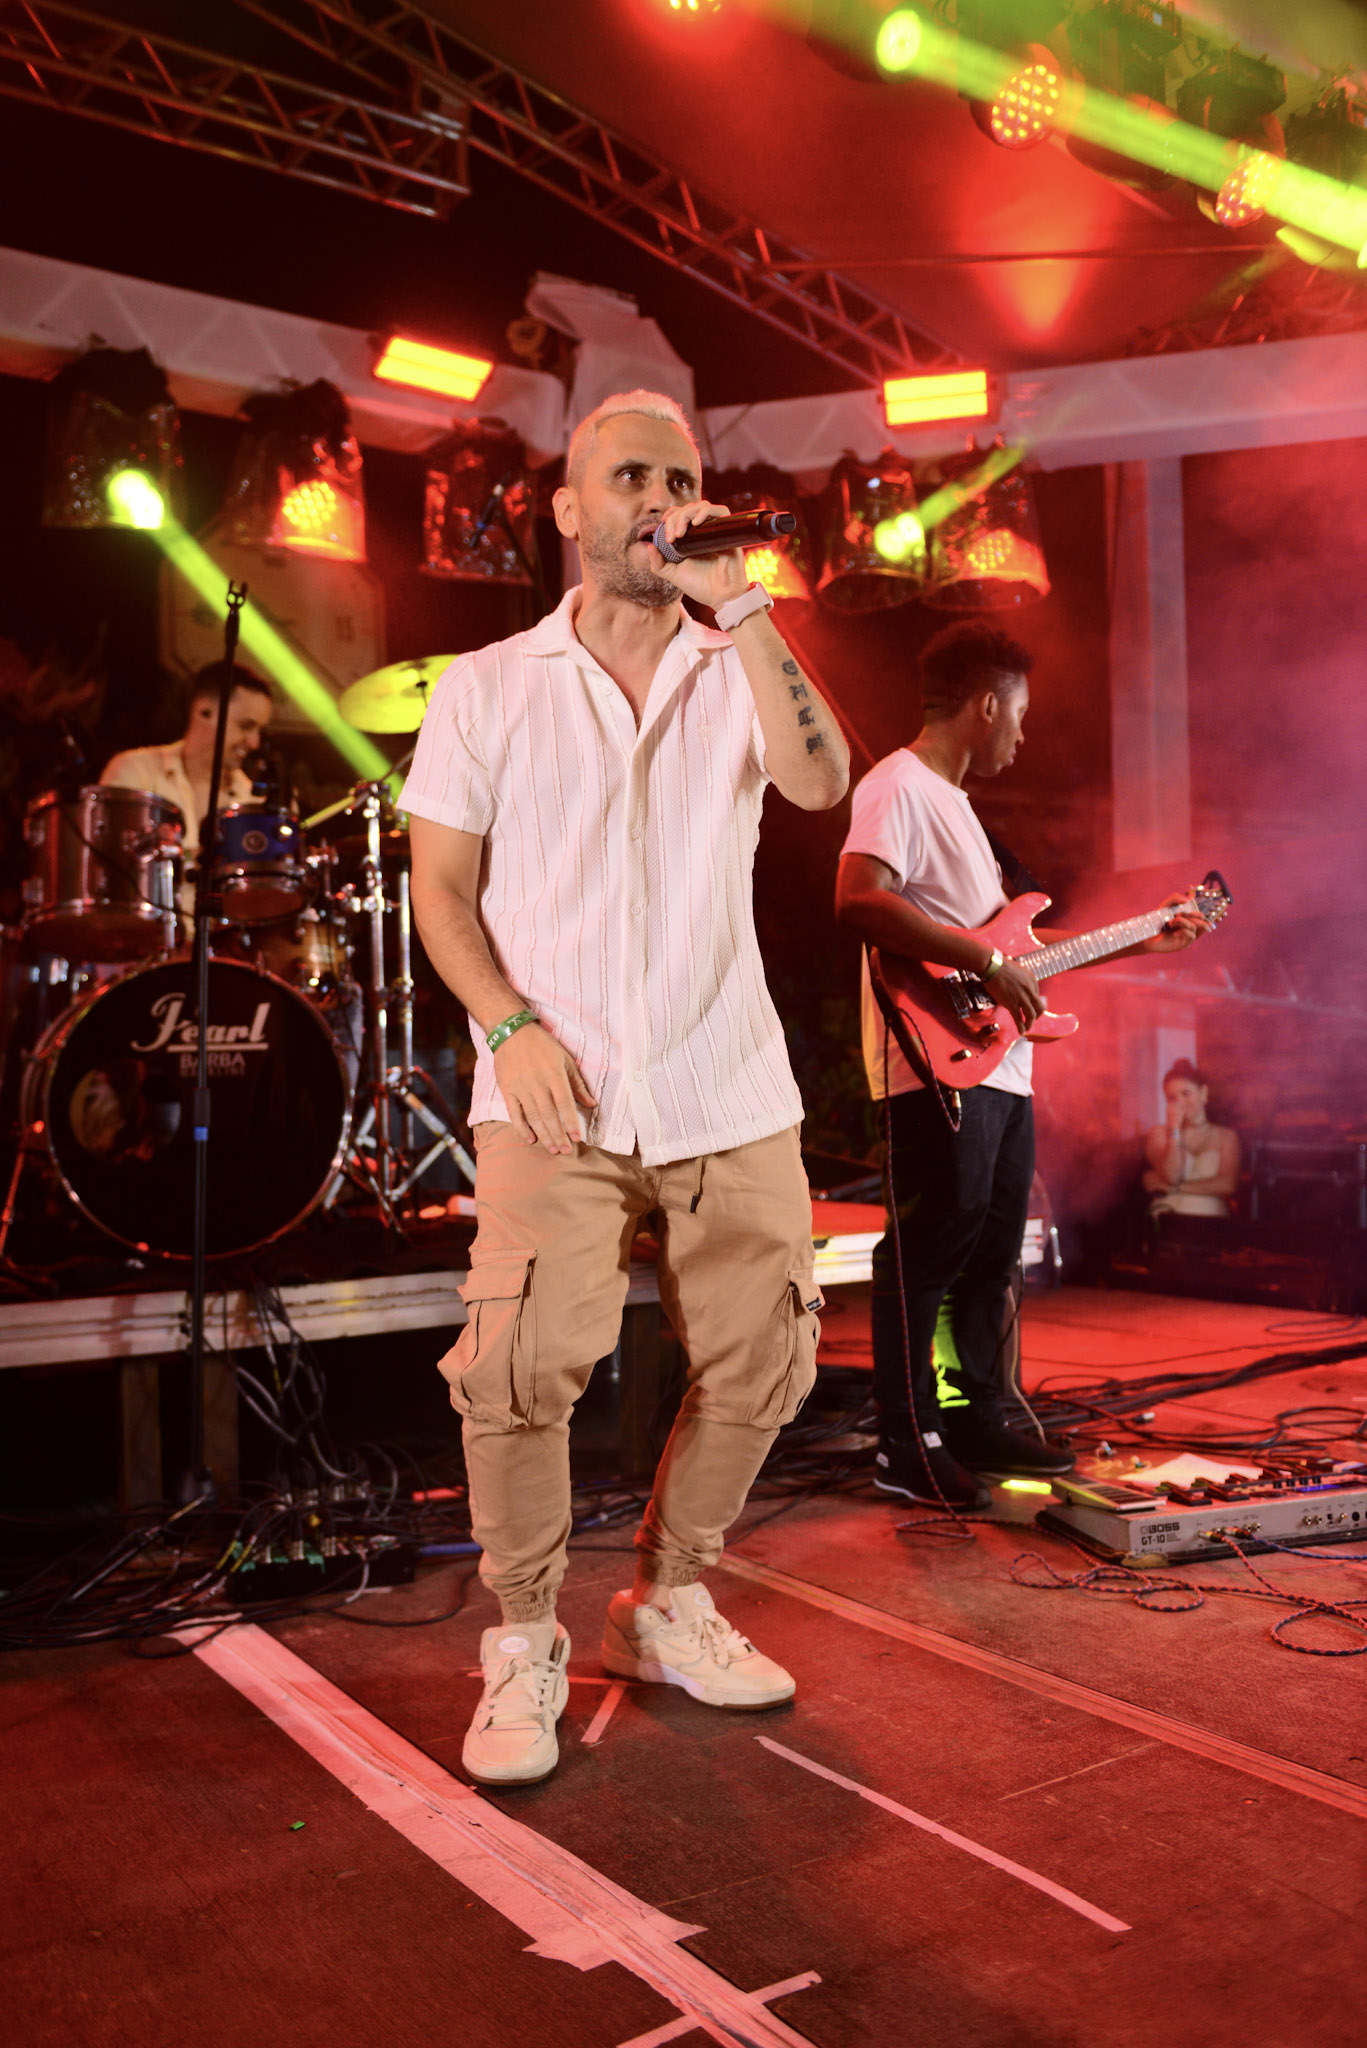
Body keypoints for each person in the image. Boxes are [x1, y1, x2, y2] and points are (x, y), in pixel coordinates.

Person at [402, 389, 850, 1786]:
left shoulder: (735, 662)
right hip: (559, 1087)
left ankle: (666, 1599)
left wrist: (747, 608)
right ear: (569, 507)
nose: (659, 498)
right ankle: (523, 1636)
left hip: (725, 1080)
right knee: (518, 1369)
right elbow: (440, 892)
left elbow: (820, 781)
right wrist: (505, 1024)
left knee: (768, 1357)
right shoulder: (486, 687)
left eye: (679, 477)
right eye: (630, 477)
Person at [834, 621, 1209, 1510]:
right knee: (928, 1246)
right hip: (931, 1062)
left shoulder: (961, 811)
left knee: (994, 1249)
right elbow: (858, 900)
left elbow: (1018, 950)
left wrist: (1143, 939)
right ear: (986, 705)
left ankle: (979, 1417)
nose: (1023, 734)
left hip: (998, 1066)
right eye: (1020, 715)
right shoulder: (898, 784)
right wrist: (985, 960)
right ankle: (905, 1440)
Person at [101, 663, 273, 871]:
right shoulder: (135, 771)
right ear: (204, 712)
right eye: (246, 726)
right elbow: (113, 864)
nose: (255, 743)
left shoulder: (253, 800)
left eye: (259, 730)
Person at [1143, 1059, 1240, 1217]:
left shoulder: (1226, 1136)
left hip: (1210, 1223)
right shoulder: (1158, 1134)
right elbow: (1172, 1176)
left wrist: (1174, 1188)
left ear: (1203, 1093)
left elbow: (1227, 1185)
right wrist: (1174, 1130)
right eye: (1172, 1098)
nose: (1180, 1102)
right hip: (1166, 1219)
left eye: (1186, 1094)